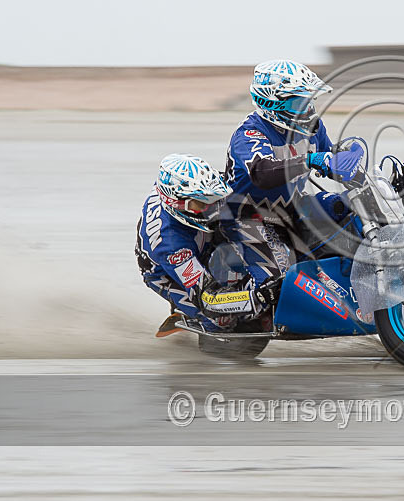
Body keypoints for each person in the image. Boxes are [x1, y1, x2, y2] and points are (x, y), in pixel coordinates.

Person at [221, 59, 364, 292]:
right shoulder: (250, 133)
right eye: (299, 101)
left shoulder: (312, 127)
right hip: (248, 217)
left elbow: (330, 160)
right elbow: (262, 173)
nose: (308, 108)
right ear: (272, 102)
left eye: (310, 100)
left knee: (347, 206)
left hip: (292, 208)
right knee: (279, 286)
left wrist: (354, 163)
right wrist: (308, 161)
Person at [136, 153, 273, 336]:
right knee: (221, 320)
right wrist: (258, 297)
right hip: (163, 272)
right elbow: (210, 300)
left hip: (194, 235)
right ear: (177, 205)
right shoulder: (171, 246)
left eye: (213, 199)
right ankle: (187, 314)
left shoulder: (198, 184)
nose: (213, 207)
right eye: (201, 203)